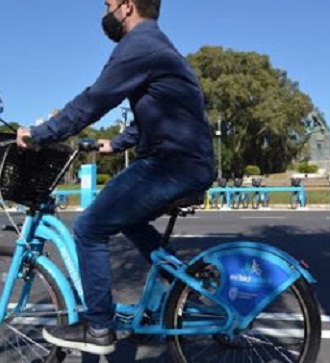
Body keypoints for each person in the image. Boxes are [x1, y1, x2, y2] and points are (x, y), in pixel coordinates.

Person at [16, 0, 215, 355]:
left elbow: (95, 100)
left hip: (171, 164)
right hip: (185, 161)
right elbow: (156, 111)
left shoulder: (139, 45)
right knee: (130, 221)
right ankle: (180, 285)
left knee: (89, 227)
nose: (105, 13)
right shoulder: (157, 45)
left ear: (127, 6)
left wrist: (40, 134)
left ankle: (99, 329)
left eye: (108, 4)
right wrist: (116, 143)